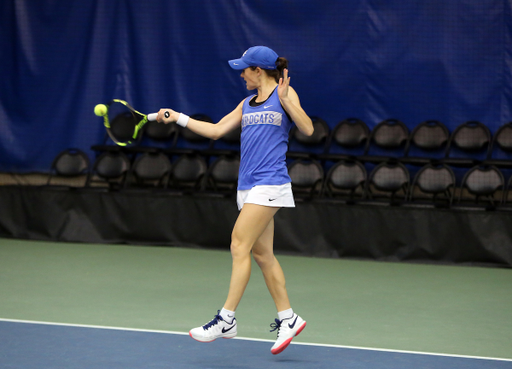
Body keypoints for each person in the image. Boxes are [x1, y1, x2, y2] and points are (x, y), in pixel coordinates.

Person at [156, 46, 314, 355]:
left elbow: (307, 128)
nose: (241, 74)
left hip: (271, 184)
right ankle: (289, 318)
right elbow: (215, 131)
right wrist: (178, 118)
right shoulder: (246, 104)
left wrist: (285, 102)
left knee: (238, 245)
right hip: (247, 187)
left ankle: (226, 319)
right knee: (262, 255)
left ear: (258, 71)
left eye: (245, 69)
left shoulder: (285, 94)